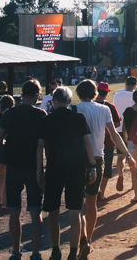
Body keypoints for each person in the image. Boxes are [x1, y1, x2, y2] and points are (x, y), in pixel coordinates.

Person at [36, 86, 95, 260]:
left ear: (53, 101)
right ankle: (73, 252)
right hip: (76, 168)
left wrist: (39, 171)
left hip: (54, 169)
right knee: (75, 212)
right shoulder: (78, 118)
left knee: (52, 211)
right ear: (69, 101)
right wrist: (92, 165)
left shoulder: (46, 120)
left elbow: (39, 147)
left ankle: (55, 250)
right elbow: (87, 143)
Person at [74, 81, 132, 254]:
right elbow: (114, 135)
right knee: (92, 203)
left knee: (77, 204)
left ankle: (82, 237)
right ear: (95, 92)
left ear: (78, 93)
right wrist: (127, 153)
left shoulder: (74, 109)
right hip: (97, 158)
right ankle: (88, 240)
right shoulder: (104, 109)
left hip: (78, 159)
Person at [0, 79, 48, 260]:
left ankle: (16, 251)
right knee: (35, 212)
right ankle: (35, 252)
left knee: (14, 211)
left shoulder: (9, 113)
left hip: (13, 166)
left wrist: (8, 148)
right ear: (36, 95)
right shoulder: (41, 114)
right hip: (33, 166)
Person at [93, 82, 123, 202]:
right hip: (108, 141)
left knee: (93, 166)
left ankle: (92, 191)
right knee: (107, 167)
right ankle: (102, 192)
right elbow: (118, 123)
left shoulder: (90, 106)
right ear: (106, 94)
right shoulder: (109, 107)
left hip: (93, 142)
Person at [110, 76, 137, 192]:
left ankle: (120, 175)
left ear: (126, 84)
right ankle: (133, 182)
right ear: (135, 85)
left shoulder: (118, 94)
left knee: (121, 156)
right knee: (134, 156)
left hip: (120, 128)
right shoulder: (136, 95)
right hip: (132, 129)